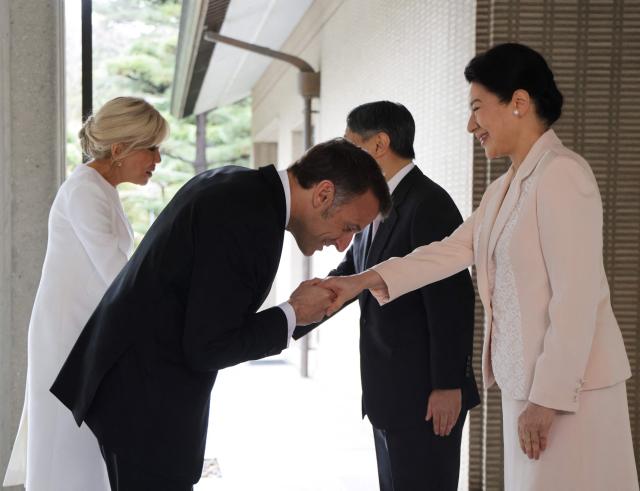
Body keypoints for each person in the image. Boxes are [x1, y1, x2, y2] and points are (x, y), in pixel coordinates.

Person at [322, 43, 638, 490]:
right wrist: (362, 280)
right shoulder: (505, 188)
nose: (471, 125)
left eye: (477, 108)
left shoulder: (564, 174)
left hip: (571, 393)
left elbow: (577, 298)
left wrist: (546, 401)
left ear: (519, 104)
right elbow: (445, 252)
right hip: (526, 389)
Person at [49, 137, 392, 490]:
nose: (342, 244)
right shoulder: (250, 218)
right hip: (145, 401)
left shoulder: (239, 186)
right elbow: (209, 346)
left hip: (139, 387)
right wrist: (293, 311)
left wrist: (305, 310)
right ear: (322, 194)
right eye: (349, 228)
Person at [294, 101, 479, 490]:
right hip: (389, 393)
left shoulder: (428, 203)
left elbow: (451, 302)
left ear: (379, 144)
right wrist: (292, 317)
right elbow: (354, 274)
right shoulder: (375, 199)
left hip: (425, 397)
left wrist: (448, 385)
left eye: (351, 145)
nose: (344, 156)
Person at [3, 97, 168, 490]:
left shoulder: (99, 187)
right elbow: (116, 273)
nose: (157, 159)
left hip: (81, 331)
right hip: (67, 336)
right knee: (67, 443)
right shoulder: (86, 190)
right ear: (119, 149)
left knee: (82, 445)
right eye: (151, 148)